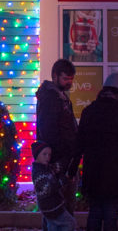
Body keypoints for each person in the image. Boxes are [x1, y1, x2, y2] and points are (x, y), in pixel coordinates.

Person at [74, 72, 118, 231]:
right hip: (116, 174)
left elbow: (79, 143)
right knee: (111, 216)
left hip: (93, 171)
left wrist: (72, 170)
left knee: (94, 213)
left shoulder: (89, 111)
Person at [35, 59, 78, 206]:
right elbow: (47, 130)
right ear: (55, 76)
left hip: (62, 159)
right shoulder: (51, 98)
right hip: (58, 161)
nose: (69, 83)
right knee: (59, 208)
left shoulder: (59, 96)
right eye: (65, 78)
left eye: (71, 79)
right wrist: (64, 152)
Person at [31, 142, 76, 231]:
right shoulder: (38, 172)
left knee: (53, 225)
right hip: (51, 207)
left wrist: (68, 157)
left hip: (51, 206)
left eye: (49, 154)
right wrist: (64, 180)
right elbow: (48, 188)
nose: (47, 157)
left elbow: (57, 166)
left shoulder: (46, 167)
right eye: (44, 154)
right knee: (69, 223)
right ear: (37, 155)